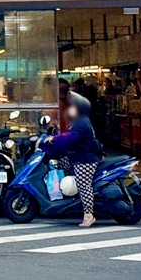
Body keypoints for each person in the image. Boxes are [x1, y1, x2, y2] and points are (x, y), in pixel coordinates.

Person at [41, 91, 103, 227]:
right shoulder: (77, 121)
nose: (70, 109)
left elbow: (70, 137)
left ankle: (89, 215)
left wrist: (54, 139)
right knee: (58, 164)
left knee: (83, 185)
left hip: (85, 159)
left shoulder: (81, 122)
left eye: (73, 107)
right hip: (76, 156)